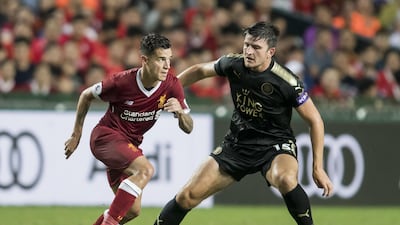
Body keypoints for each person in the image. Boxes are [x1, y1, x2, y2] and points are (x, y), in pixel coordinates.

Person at [154, 21, 333, 225]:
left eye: (256, 47)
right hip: (237, 145)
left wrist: (317, 167)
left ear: (270, 52)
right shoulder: (233, 64)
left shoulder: (287, 82)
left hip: (275, 145)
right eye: (246, 44)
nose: (248, 51)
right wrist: (168, 90)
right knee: (187, 196)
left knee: (285, 179)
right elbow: (199, 70)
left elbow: (315, 120)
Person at [64, 33, 193, 225]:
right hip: (106, 137)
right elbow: (85, 95)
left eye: (169, 59)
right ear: (145, 60)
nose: (167, 66)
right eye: (161, 59)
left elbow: (189, 128)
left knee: (131, 210)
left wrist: (181, 114)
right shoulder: (121, 82)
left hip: (128, 145)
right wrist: (76, 134)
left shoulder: (172, 85)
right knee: (146, 170)